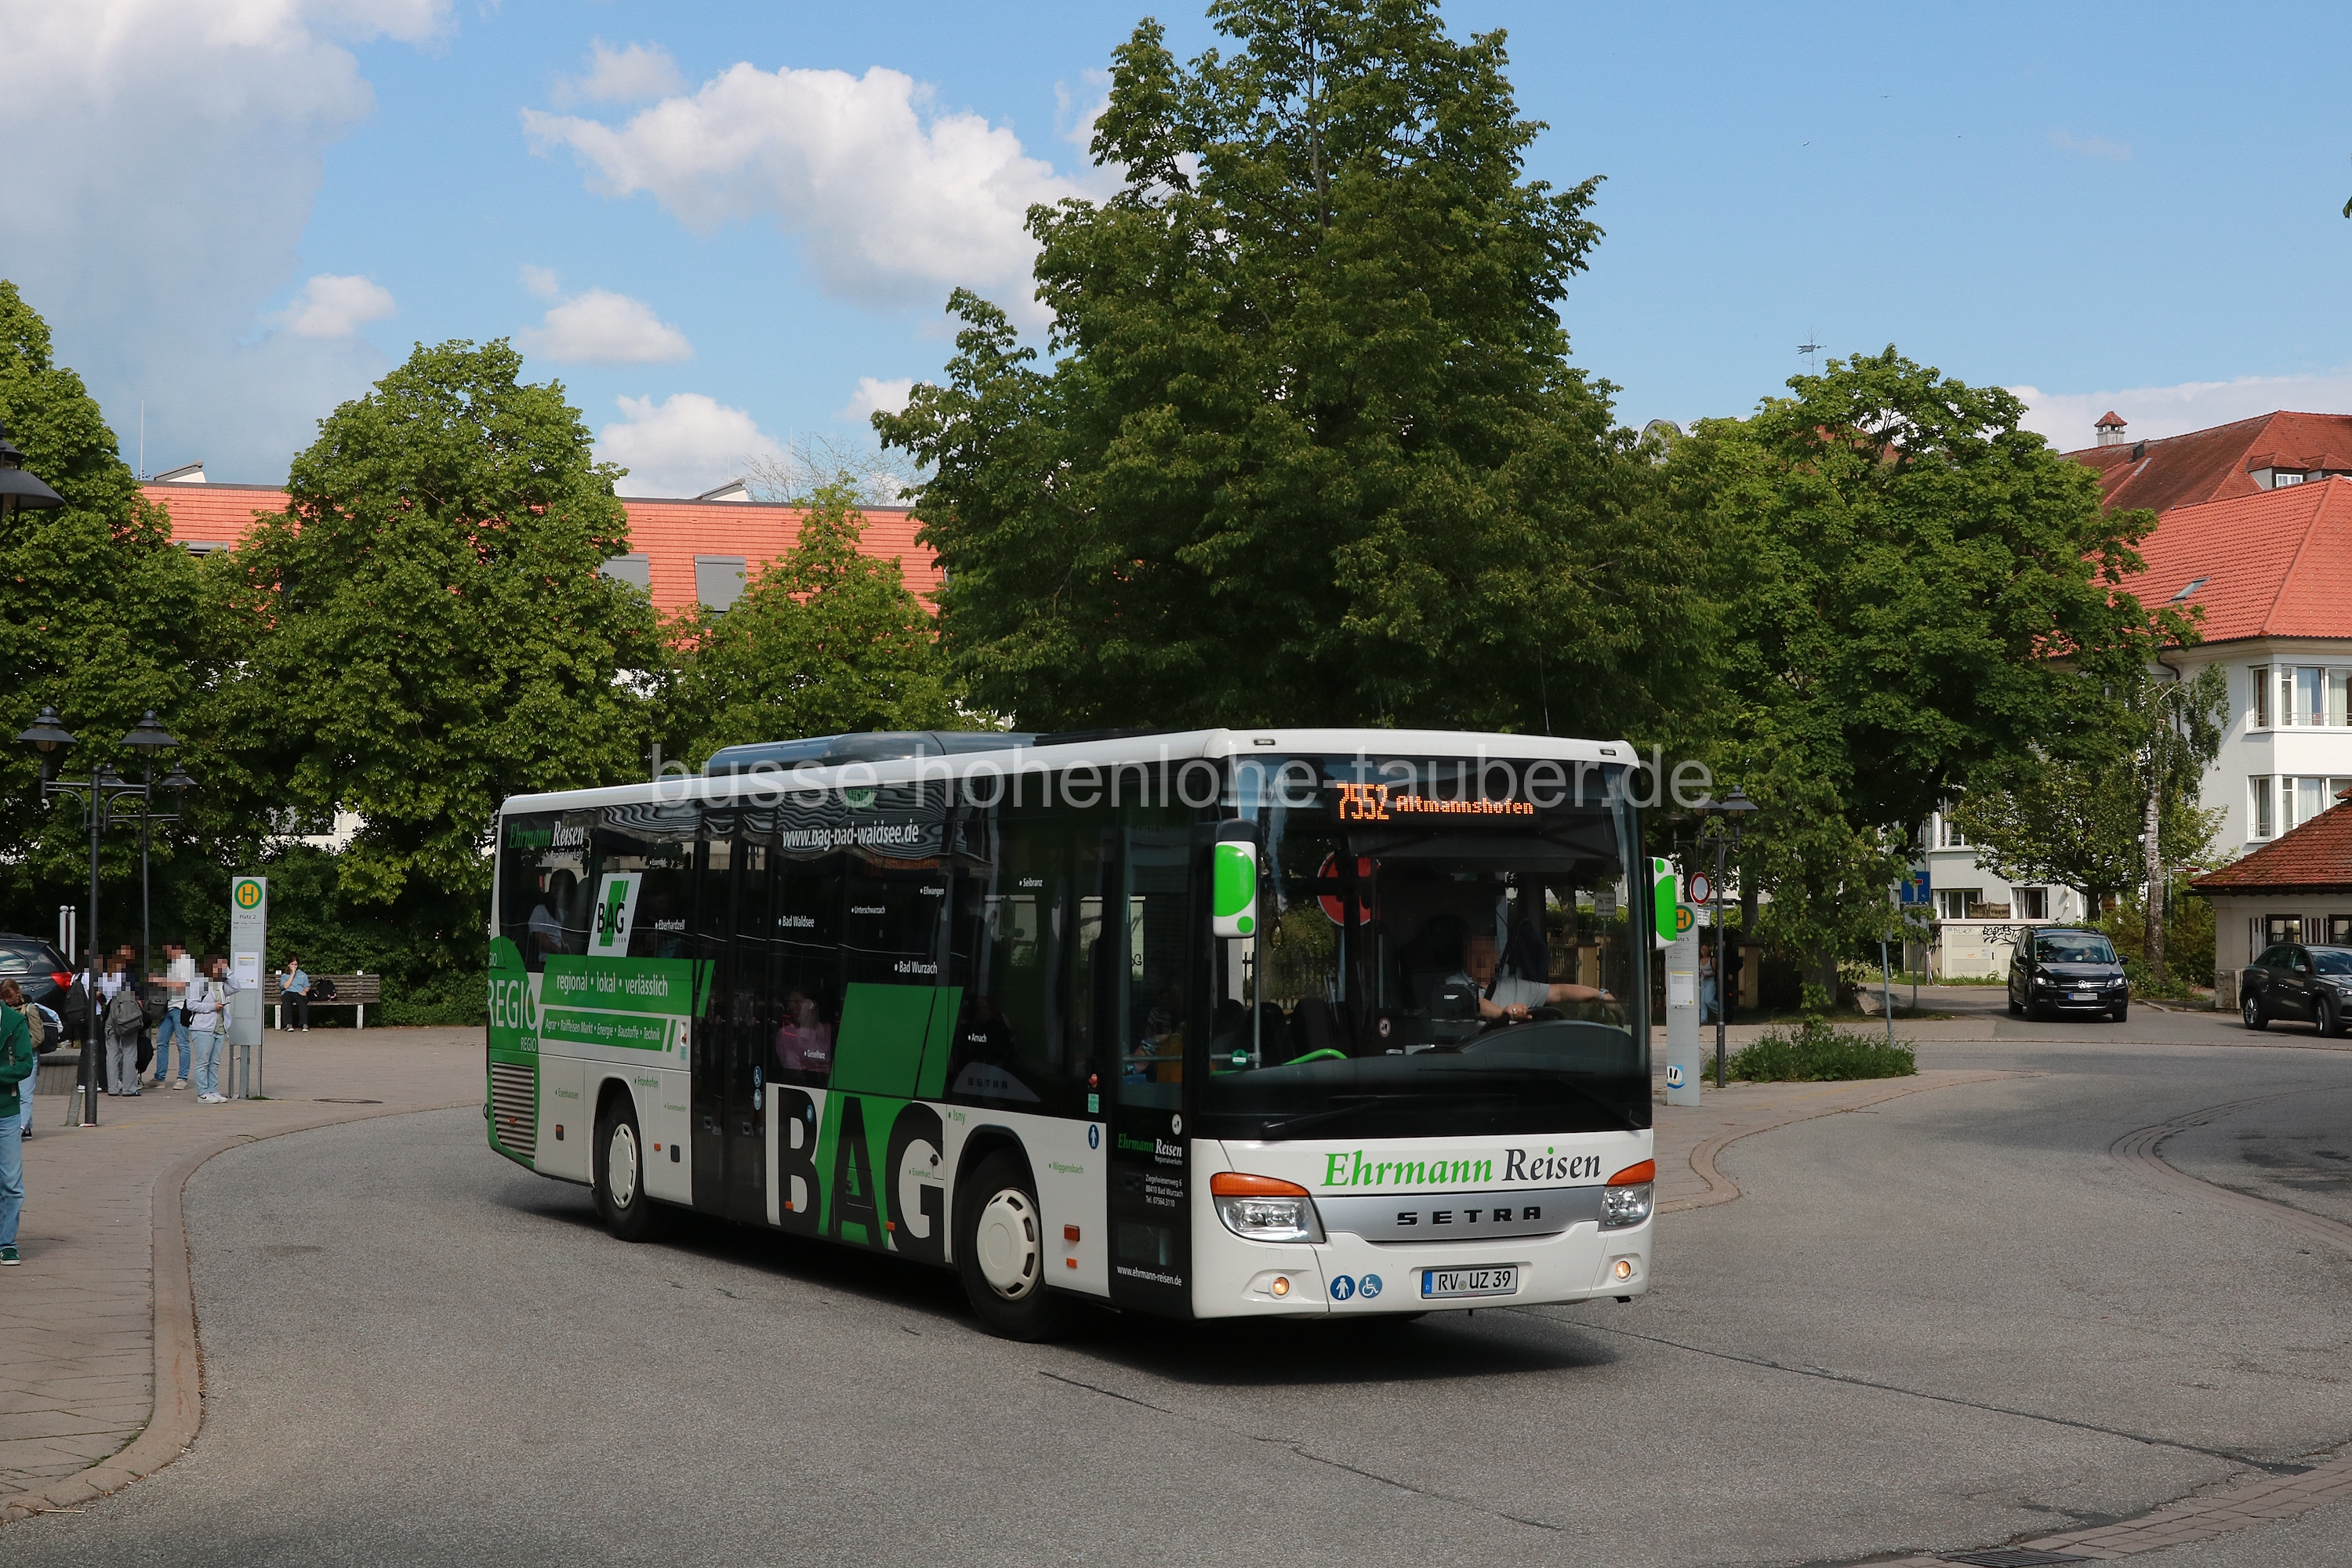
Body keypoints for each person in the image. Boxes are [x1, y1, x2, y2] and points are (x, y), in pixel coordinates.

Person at [1454, 927, 1612, 1022]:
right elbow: (1474, 1003)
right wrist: (1503, 1013)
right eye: (1475, 953)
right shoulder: (1453, 984)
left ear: (1496, 957)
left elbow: (1560, 992)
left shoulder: (1515, 986)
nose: (1482, 959)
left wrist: (1601, 995)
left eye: (1487, 953)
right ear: (1465, 956)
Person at [0, 978, 32, 1265]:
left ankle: (7, 1242)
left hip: (7, 1112)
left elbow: (25, 1064)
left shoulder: (14, 1022)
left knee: (11, 1182)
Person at [186, 956, 237, 1105]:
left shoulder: (220, 984)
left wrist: (228, 970)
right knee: (203, 1062)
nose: (220, 969)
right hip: (203, 1028)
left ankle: (212, 1090)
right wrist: (211, 1007)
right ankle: (202, 1093)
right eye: (218, 966)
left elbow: (236, 987)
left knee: (215, 1062)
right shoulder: (198, 982)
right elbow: (191, 1004)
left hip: (220, 1028)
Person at [152, 942, 194, 1088]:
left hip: (181, 1007)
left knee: (182, 1043)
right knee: (161, 1041)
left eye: (168, 949)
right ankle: (160, 1077)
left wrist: (160, 981)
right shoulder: (174, 964)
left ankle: (182, 1078)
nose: (166, 953)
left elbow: (182, 985)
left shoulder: (186, 963)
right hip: (169, 1007)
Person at [103, 975, 147, 1096]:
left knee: (111, 1053)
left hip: (111, 1011)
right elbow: (139, 999)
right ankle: (129, 1088)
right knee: (129, 1052)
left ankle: (112, 1088)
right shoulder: (132, 974)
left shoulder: (106, 974)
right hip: (129, 1013)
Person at [280, 956, 312, 1032]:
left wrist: (305, 991)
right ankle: (288, 1024)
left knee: (302, 1002)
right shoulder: (285, 976)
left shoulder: (303, 975)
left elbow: (307, 986)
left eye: (296, 964)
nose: (294, 966)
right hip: (288, 992)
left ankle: (304, 1024)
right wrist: (293, 974)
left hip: (299, 992)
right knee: (286, 1002)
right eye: (292, 964)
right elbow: (286, 986)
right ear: (289, 965)